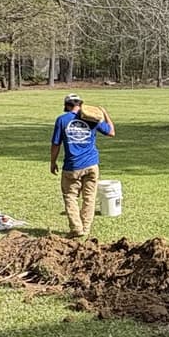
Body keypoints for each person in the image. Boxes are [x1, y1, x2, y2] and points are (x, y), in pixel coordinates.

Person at [50, 93, 115, 237]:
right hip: (92, 165)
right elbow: (111, 132)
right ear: (81, 104)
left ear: (67, 106)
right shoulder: (92, 118)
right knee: (89, 198)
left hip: (72, 166)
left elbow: (56, 144)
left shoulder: (62, 120)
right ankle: (85, 228)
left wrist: (53, 162)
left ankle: (76, 228)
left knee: (70, 196)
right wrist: (104, 113)